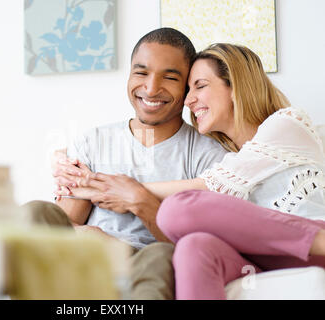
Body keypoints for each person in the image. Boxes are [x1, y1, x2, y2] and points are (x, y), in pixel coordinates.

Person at [60, 43, 325, 300]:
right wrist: (64, 158)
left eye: (200, 86)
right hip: (258, 259)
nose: (188, 100)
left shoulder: (287, 124)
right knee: (193, 248)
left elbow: (207, 188)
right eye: (188, 89)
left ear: (236, 86)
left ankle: (320, 239)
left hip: (312, 247)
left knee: (178, 210)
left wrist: (130, 192)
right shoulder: (225, 154)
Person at [23, 28, 228, 300]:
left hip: (148, 263)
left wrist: (139, 200)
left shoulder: (207, 156)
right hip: (86, 256)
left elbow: (193, 247)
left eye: (169, 77)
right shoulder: (93, 140)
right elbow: (66, 220)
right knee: (33, 213)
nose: (151, 88)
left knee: (162, 254)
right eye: (141, 73)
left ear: (188, 86)